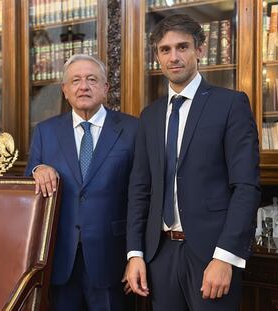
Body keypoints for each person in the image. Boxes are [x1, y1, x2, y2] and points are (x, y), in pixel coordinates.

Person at [125, 14, 260, 310]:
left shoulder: (230, 104)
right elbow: (140, 189)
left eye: (182, 47)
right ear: (157, 56)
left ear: (200, 50)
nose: (174, 57)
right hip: (159, 256)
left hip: (212, 255)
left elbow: (246, 187)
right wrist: (135, 253)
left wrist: (225, 257)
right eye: (165, 49)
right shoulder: (150, 115)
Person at [25, 54, 138, 311]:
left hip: (112, 259)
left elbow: (142, 197)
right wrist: (37, 168)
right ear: (65, 91)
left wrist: (136, 255)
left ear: (106, 88)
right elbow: (28, 190)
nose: (83, 86)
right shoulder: (45, 131)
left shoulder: (133, 130)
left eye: (91, 79)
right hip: (60, 259)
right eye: (75, 80)